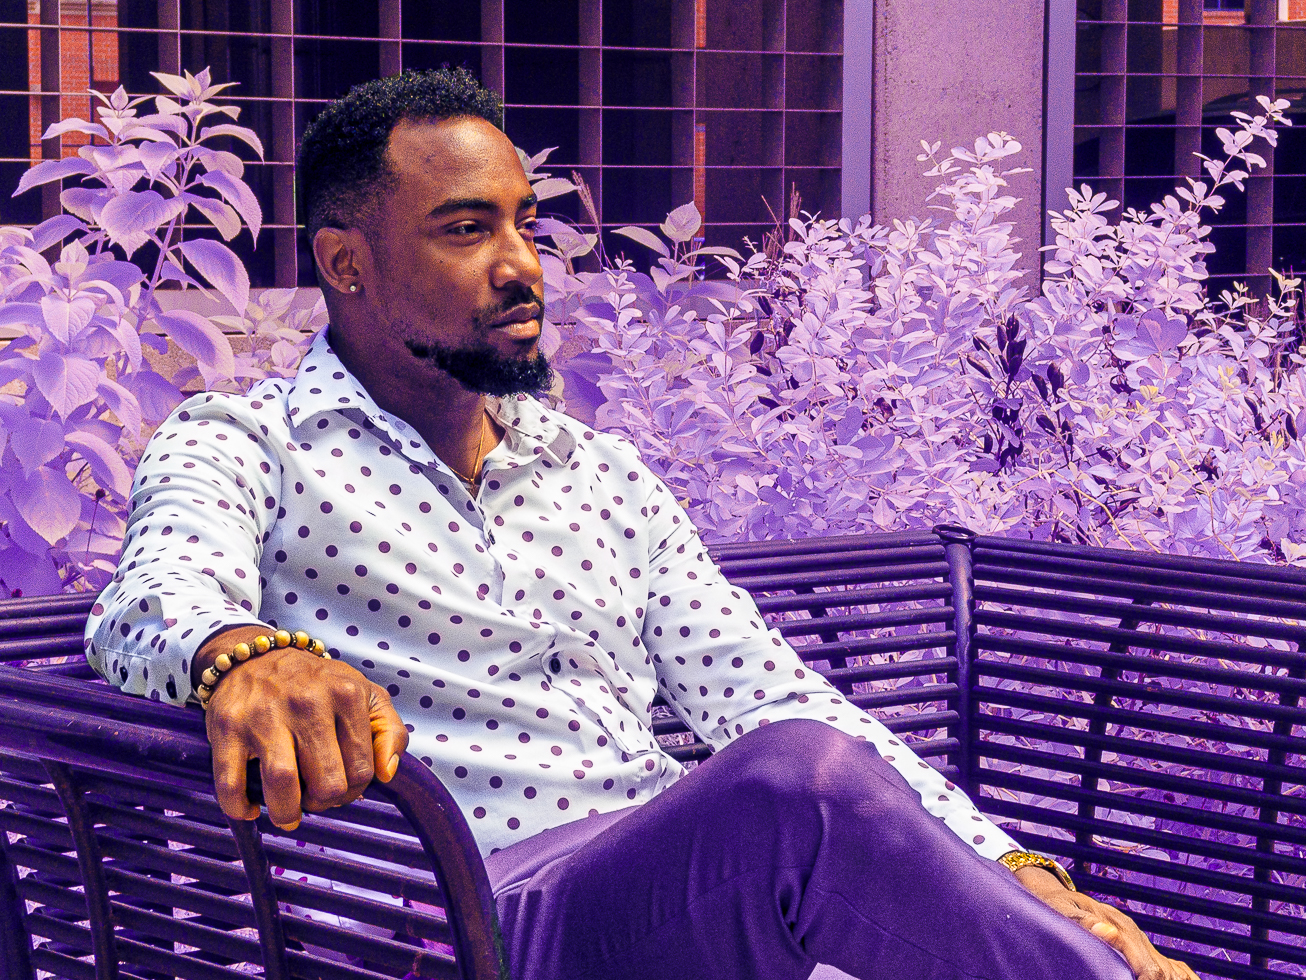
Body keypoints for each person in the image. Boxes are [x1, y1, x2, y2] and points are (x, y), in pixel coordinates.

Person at [86, 68, 1200, 980]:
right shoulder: (250, 442)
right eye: (466, 229)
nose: (522, 265)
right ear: (347, 265)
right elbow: (150, 599)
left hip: (656, 898)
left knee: (808, 776)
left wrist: (1012, 869)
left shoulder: (598, 473)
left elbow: (769, 692)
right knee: (794, 789)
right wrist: (248, 654)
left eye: (524, 223)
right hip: (465, 920)